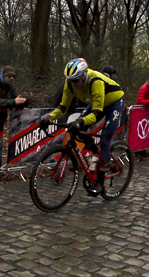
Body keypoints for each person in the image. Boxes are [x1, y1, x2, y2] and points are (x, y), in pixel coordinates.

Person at [37, 58, 125, 197]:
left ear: (84, 75)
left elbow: (96, 112)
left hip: (113, 102)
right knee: (78, 129)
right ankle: (96, 154)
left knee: (105, 138)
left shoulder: (96, 82)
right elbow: (63, 106)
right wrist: (48, 118)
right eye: (70, 81)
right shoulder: (70, 83)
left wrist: (80, 121)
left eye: (76, 81)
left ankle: (100, 182)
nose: (74, 84)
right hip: (97, 103)